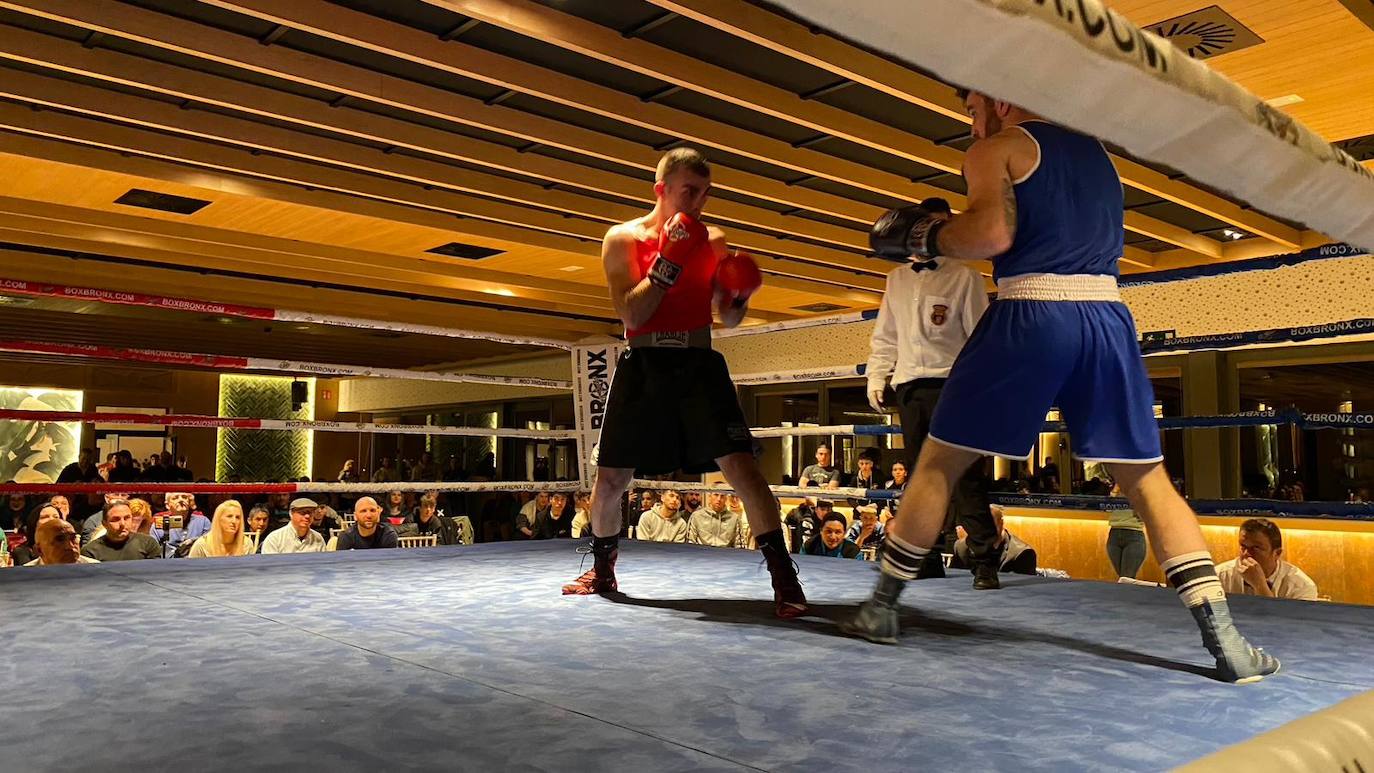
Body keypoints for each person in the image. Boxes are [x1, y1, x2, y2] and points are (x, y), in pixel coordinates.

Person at [844, 87, 1277, 683]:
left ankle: (881, 608)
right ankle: (1226, 641)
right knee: (1148, 478)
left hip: (1031, 310)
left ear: (999, 99)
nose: (969, 120)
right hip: (1106, 315)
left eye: (972, 107)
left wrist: (927, 235)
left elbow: (991, 234)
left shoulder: (995, 149)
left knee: (939, 463)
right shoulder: (1101, 156)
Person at [561, 148, 804, 616]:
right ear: (661, 190)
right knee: (611, 477)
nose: (698, 202)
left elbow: (728, 319)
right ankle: (603, 570)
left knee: (743, 470)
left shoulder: (714, 240)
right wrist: (669, 257)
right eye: (689, 191)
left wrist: (738, 295)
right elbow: (632, 312)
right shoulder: (622, 239)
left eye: (705, 193)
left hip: (698, 362)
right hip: (645, 362)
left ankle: (784, 579)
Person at [864, 199, 1000, 588]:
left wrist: (982, 392)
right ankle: (924, 557)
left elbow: (980, 339)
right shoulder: (897, 279)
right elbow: (886, 335)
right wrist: (877, 378)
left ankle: (984, 560)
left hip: (954, 386)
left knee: (967, 475)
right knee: (921, 479)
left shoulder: (965, 278)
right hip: (909, 386)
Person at [1215, 519, 1318, 601]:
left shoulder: (1301, 587)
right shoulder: (1219, 576)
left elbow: (1285, 625)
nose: (1246, 553)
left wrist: (1260, 586)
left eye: (1256, 548)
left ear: (1277, 553)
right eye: (1243, 546)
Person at [951, 505, 1037, 575]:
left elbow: (1023, 591)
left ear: (1001, 523)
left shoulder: (1022, 553)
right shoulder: (960, 548)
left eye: (988, 525)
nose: (983, 531)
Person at [80, 500, 162, 561]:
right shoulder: (90, 551)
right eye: (115, 519)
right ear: (104, 524)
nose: (122, 524)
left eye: (127, 518)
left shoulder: (149, 543)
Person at [1105, 482, 1148, 579]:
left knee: (1127, 578)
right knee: (1122, 578)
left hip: (1134, 535)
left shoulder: (1141, 493)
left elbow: (1145, 516)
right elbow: (1107, 508)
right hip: (1114, 535)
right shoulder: (1115, 494)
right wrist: (1116, 489)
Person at [150, 492, 212, 558]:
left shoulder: (203, 521)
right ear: (167, 505)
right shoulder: (160, 524)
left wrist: (193, 541)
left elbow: (210, 543)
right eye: (175, 498)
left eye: (184, 497)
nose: (181, 500)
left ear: (190, 502)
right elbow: (153, 551)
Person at [260, 498, 327, 554]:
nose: (307, 516)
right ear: (291, 513)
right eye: (302, 512)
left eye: (310, 513)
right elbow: (269, 567)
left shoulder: (318, 538)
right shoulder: (275, 538)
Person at [187, 501, 252, 558]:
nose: (234, 521)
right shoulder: (202, 545)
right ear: (219, 519)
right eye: (229, 516)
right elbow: (190, 569)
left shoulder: (247, 544)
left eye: (238, 517)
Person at [24, 518, 100, 566]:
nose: (70, 546)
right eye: (59, 540)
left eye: (73, 538)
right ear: (39, 550)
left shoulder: (96, 569)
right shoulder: (24, 576)